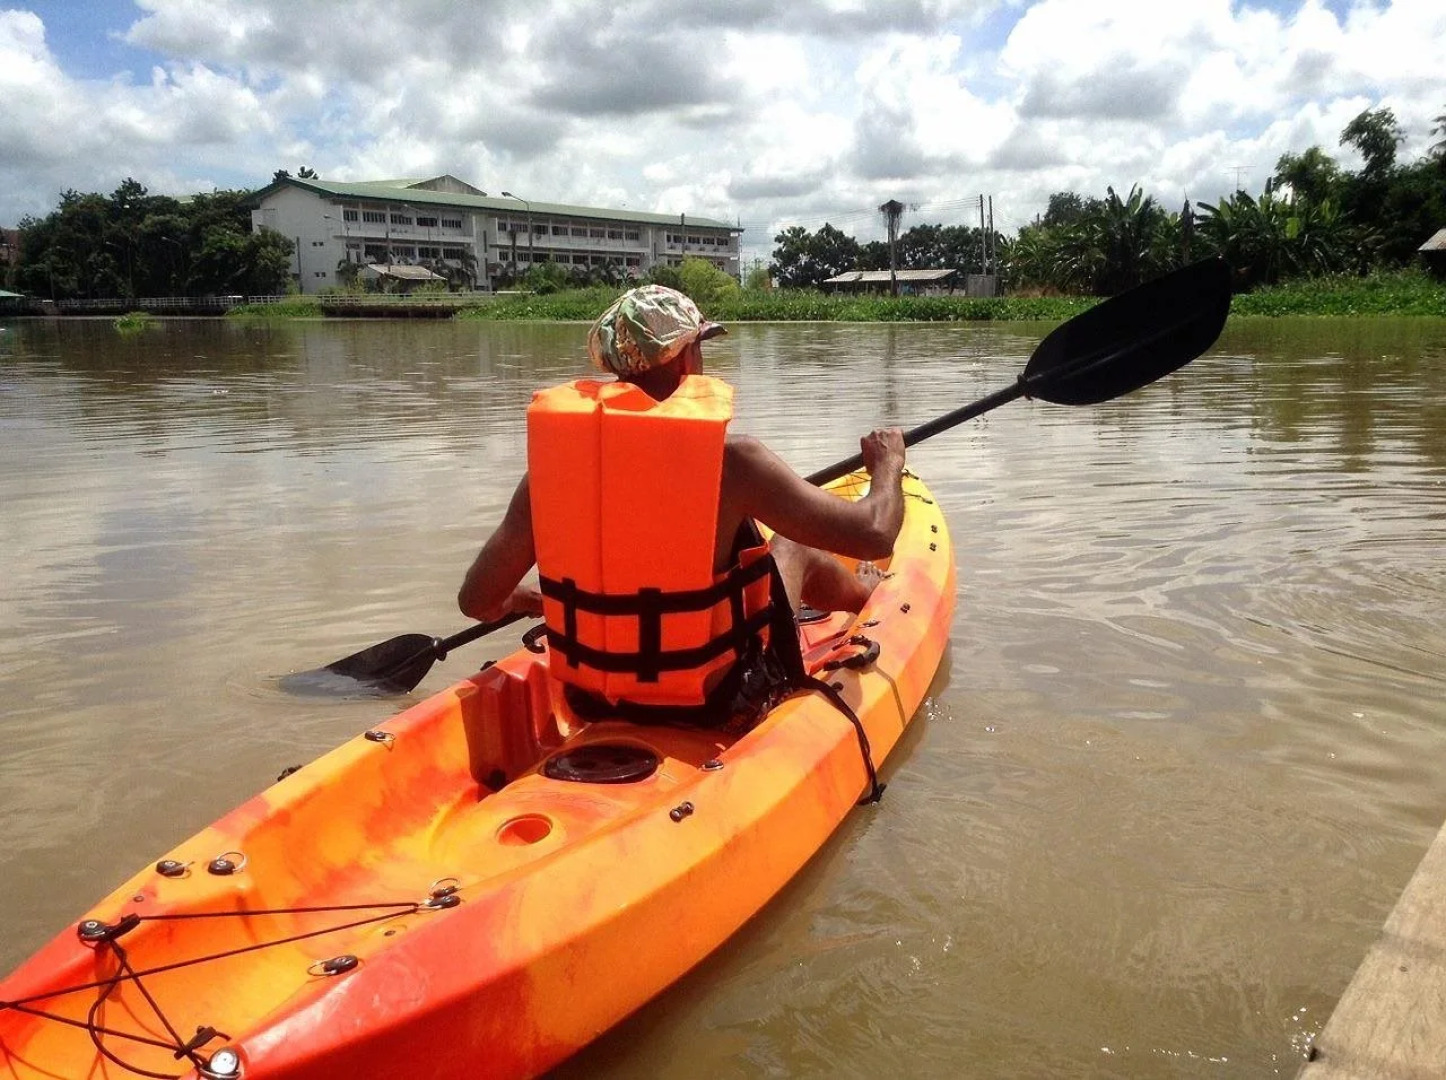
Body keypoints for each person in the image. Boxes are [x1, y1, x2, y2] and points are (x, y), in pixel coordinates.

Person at [458, 283, 905, 728]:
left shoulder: (550, 473)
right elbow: (874, 532)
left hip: (595, 701)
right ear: (687, 358)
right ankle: (867, 595)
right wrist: (887, 465)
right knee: (789, 543)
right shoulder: (732, 462)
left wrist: (534, 600)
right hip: (718, 700)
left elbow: (478, 600)